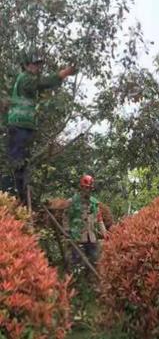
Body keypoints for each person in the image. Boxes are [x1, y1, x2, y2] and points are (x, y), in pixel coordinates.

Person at [7, 51, 76, 203]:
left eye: (38, 64)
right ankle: (17, 198)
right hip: (19, 125)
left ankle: (22, 197)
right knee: (18, 163)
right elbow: (41, 84)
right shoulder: (25, 79)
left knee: (23, 163)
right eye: (34, 64)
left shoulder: (27, 79)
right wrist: (62, 74)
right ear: (25, 65)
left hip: (24, 126)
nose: (37, 67)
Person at [65, 175, 107, 270]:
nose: (88, 190)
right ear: (82, 187)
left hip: (91, 237)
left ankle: (91, 281)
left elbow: (100, 220)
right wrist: (67, 231)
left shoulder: (95, 203)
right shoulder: (72, 202)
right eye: (86, 188)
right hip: (77, 236)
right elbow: (66, 217)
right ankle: (76, 280)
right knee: (76, 262)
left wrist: (104, 233)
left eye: (90, 188)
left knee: (95, 260)